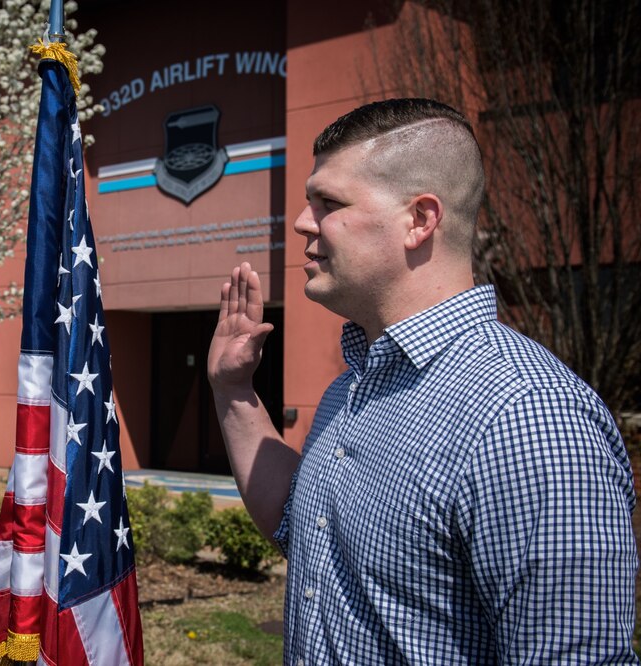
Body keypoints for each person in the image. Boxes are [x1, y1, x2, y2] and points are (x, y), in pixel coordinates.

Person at [208, 98, 638, 663]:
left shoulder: (529, 415)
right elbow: (302, 525)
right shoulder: (355, 385)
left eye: (328, 202)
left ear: (419, 220)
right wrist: (234, 392)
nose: (302, 222)